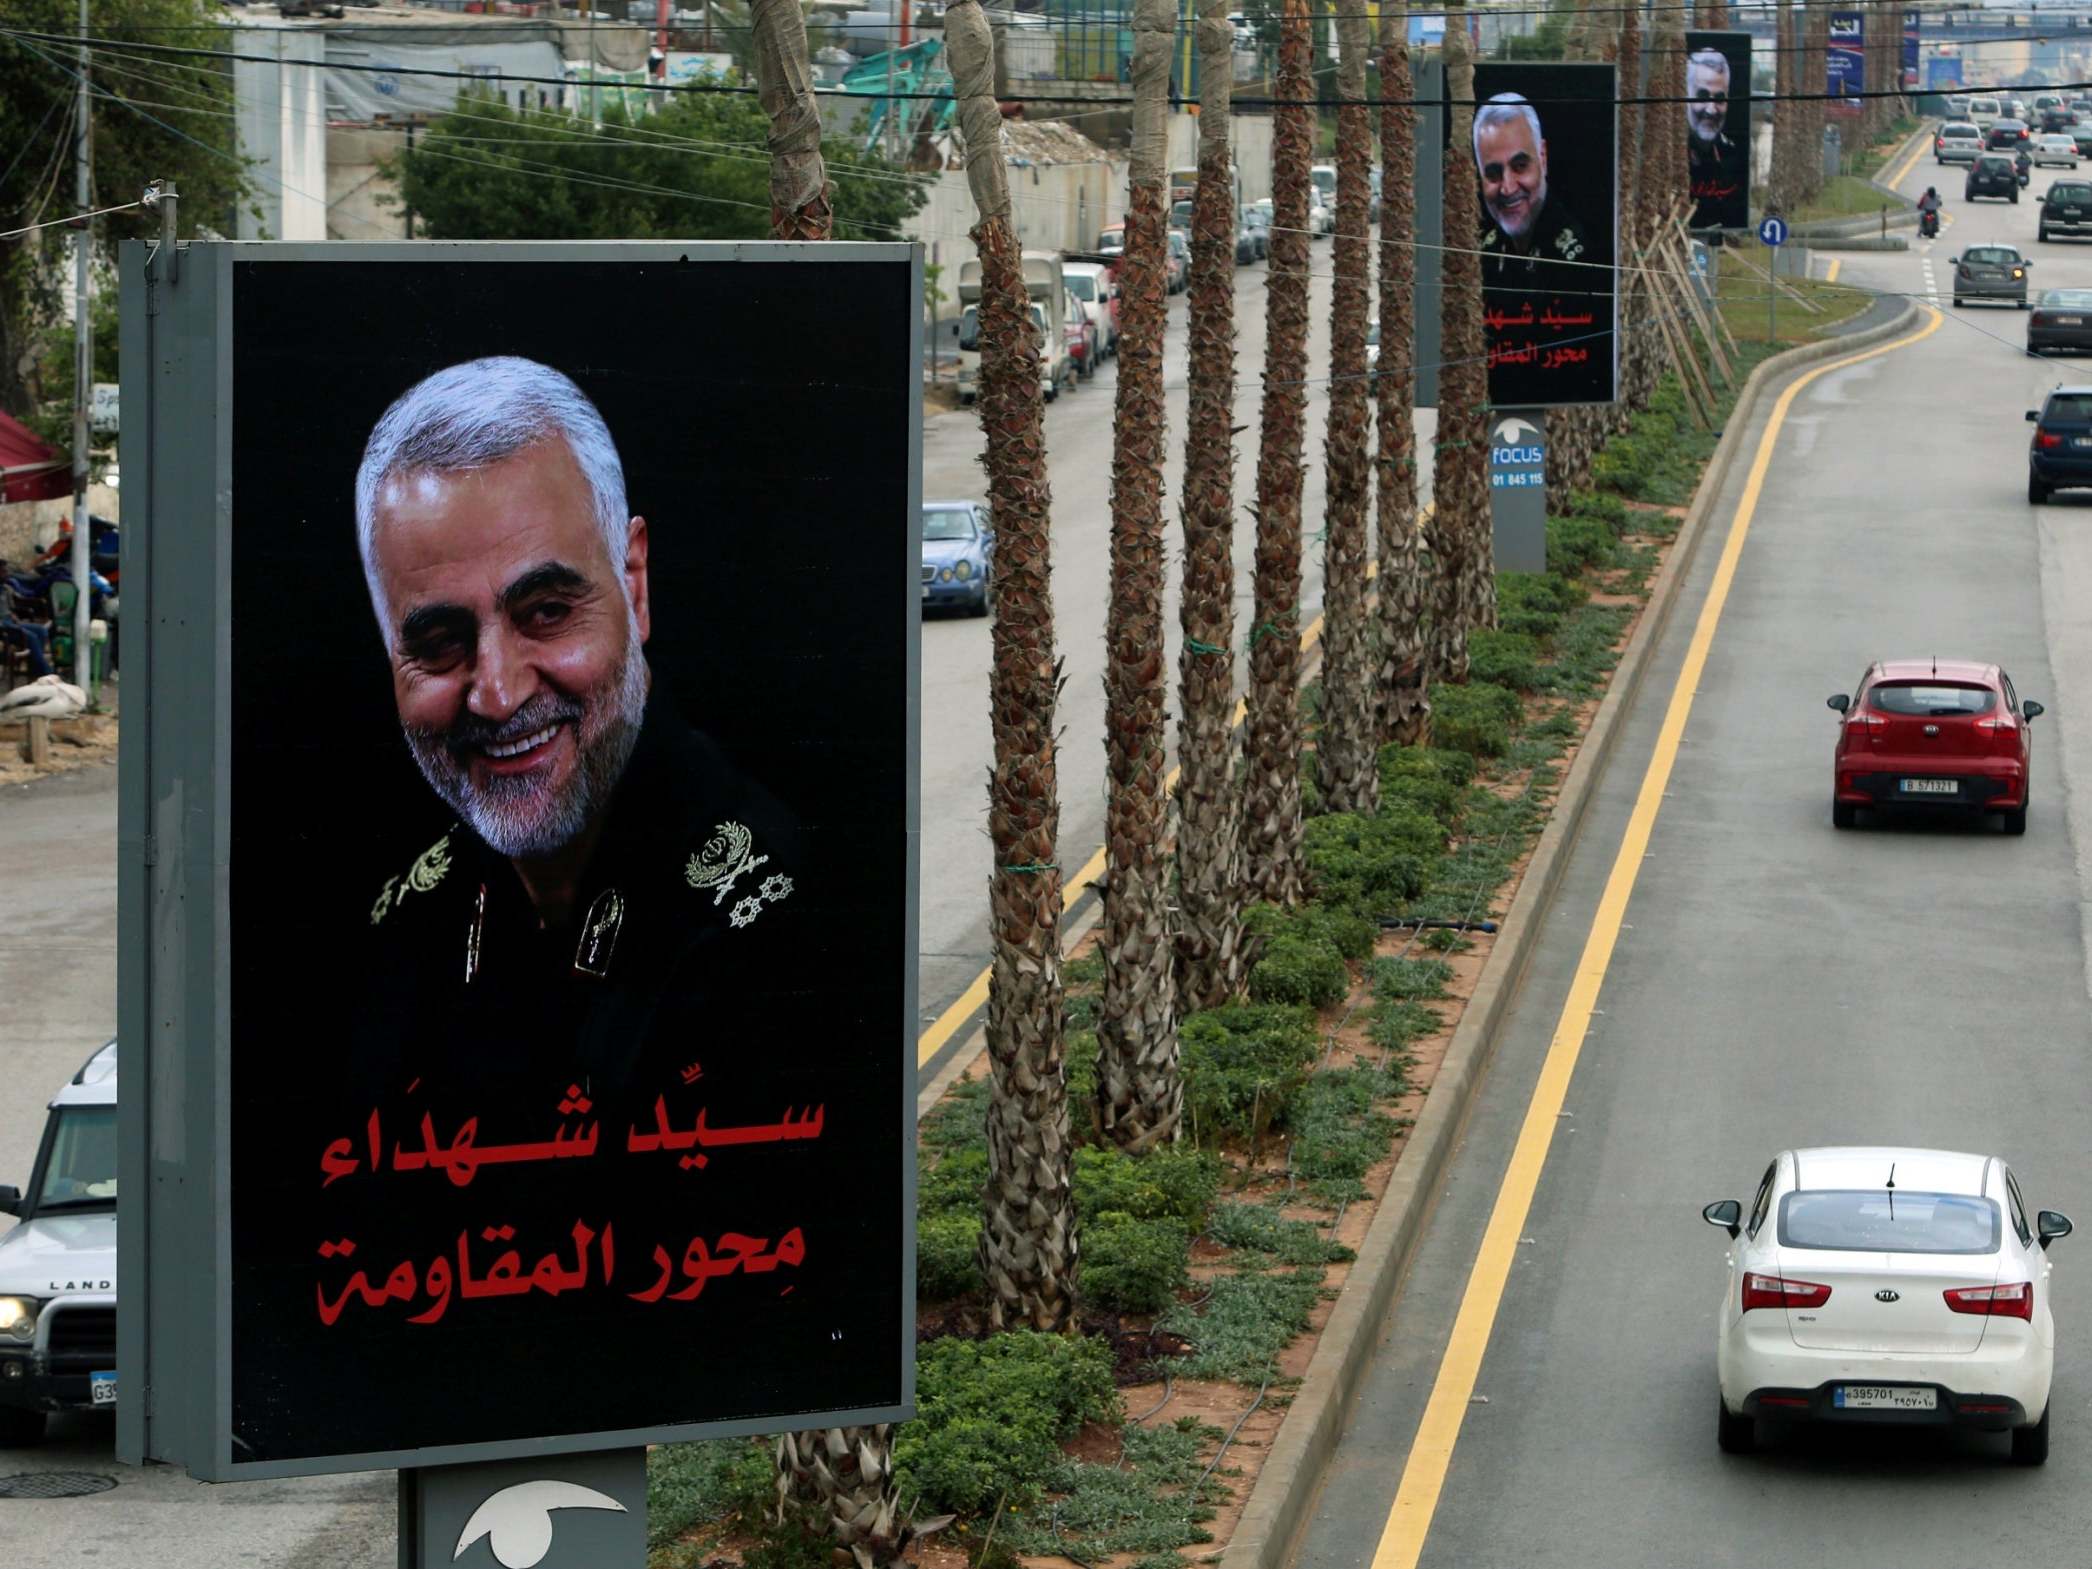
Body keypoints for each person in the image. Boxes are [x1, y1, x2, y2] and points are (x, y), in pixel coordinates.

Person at [348, 355, 806, 1090]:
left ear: (635, 585)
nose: (496, 695)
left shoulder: (788, 936)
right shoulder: (395, 936)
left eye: (548, 612)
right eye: (438, 645)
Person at [1474, 92, 1592, 279]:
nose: (1508, 188)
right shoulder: (1482, 259)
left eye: (1520, 166)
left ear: (1542, 158)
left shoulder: (1582, 258)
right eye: (1493, 174)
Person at [1686, 49, 1746, 221]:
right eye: (1702, 96)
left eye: (1719, 99)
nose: (1711, 110)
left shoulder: (1734, 154)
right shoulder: (1666, 155)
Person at [0, 562, 54, 683]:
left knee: (41, 630)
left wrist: (14, 617)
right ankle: (47, 673)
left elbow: (11, 609)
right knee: (31, 637)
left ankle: (35, 670)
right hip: (3, 626)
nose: (6, 574)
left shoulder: (6, 589)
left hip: (11, 622)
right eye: (3, 572)